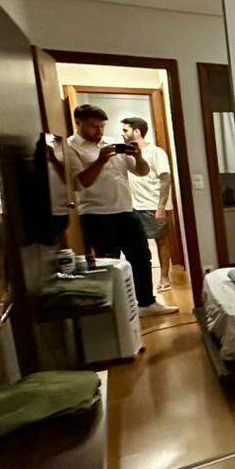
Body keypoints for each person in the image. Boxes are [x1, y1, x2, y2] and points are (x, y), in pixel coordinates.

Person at [64, 104, 177, 316]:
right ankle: (118, 310)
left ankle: (147, 303)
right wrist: (101, 160)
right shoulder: (70, 148)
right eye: (93, 127)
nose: (99, 131)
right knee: (110, 263)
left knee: (141, 257)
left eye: (102, 126)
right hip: (96, 215)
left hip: (126, 210)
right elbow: (83, 182)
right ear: (78, 123)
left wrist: (138, 156)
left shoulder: (111, 143)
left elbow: (142, 172)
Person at [120, 117, 174, 293]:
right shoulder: (124, 154)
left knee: (161, 241)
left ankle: (164, 277)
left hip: (152, 204)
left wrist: (161, 207)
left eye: (125, 130)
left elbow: (165, 179)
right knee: (136, 247)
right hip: (131, 206)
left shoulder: (156, 152)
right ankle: (141, 283)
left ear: (137, 132)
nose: (122, 134)